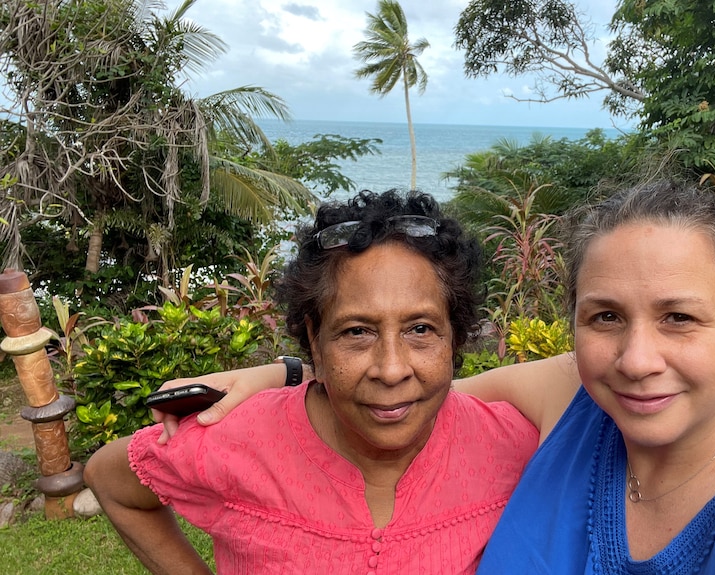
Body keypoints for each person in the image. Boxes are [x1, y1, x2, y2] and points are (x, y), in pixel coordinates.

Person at [168, 181, 715, 573]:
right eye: (606, 316)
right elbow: (410, 389)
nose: (638, 357)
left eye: (680, 316)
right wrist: (294, 368)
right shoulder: (580, 398)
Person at [83, 190, 539, 575]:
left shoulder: (515, 446)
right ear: (314, 342)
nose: (392, 368)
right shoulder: (237, 440)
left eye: (420, 329)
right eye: (356, 332)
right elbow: (110, 477)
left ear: (454, 336)